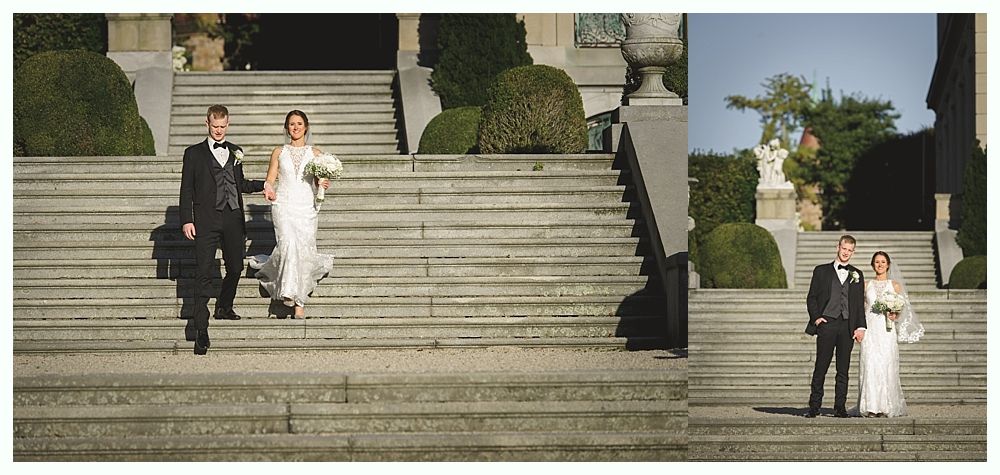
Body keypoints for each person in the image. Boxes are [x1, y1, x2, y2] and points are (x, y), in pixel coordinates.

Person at [179, 105, 270, 355]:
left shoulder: (235, 151)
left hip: (232, 217)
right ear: (207, 124)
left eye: (222, 126)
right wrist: (187, 219)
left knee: (236, 267)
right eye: (214, 126)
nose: (218, 131)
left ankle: (224, 307)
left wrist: (265, 184)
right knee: (204, 272)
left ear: (228, 124)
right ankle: (201, 329)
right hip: (206, 220)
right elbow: (186, 189)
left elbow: (239, 184)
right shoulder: (193, 153)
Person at [248, 110, 333, 318]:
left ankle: (299, 302)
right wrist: (268, 189)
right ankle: (289, 292)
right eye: (292, 124)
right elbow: (270, 178)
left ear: (306, 127)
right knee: (288, 243)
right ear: (287, 127)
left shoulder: (316, 153)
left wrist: (323, 183)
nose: (295, 127)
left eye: (299, 123)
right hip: (284, 205)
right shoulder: (279, 152)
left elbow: (318, 181)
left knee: (303, 249)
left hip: (306, 206)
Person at [852, 251, 924, 417]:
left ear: (888, 265)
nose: (880, 265)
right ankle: (870, 406)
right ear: (873, 265)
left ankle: (885, 406)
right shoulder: (866, 285)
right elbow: (860, 309)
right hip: (870, 330)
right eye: (877, 262)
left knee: (886, 364)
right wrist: (858, 328)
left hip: (886, 331)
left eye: (883, 262)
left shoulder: (895, 285)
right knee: (870, 365)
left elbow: (901, 309)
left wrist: (895, 314)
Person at [804, 234, 867, 418]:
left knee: (843, 369)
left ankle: (840, 407)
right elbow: (812, 297)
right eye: (844, 248)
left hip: (847, 326)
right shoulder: (821, 271)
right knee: (821, 367)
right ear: (837, 247)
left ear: (853, 252)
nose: (846, 252)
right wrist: (817, 318)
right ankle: (814, 406)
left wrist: (860, 327)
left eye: (850, 250)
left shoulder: (857, 274)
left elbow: (859, 304)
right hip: (827, 323)